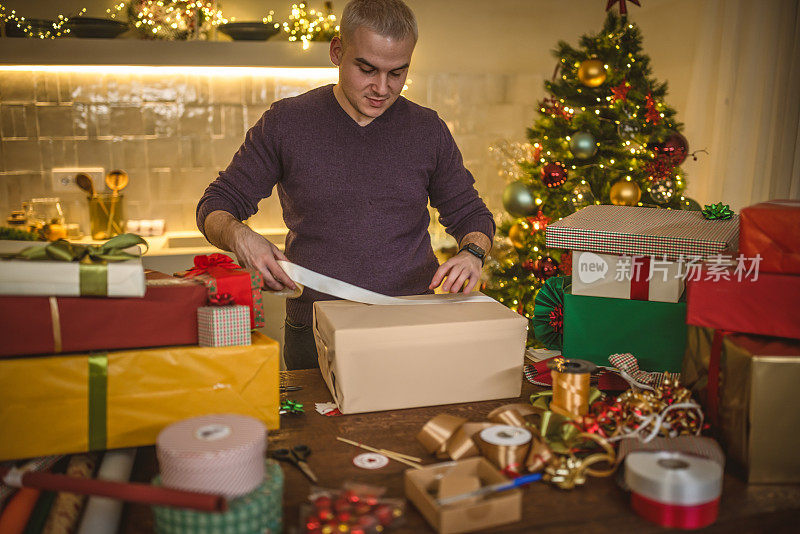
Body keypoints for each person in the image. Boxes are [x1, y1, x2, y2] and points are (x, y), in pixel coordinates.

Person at [197, 0, 495, 370]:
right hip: (316, 329)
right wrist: (241, 237)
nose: (382, 88)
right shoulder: (287, 123)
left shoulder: (427, 130)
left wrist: (473, 253)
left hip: (410, 323)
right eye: (366, 69)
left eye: (397, 74)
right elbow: (216, 204)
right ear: (337, 52)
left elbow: (471, 215)